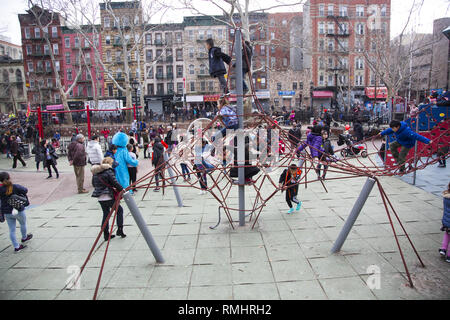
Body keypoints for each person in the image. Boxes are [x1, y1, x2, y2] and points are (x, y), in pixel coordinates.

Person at [91, 157, 126, 241]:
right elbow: (115, 183)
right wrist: (122, 190)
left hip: (100, 197)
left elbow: (93, 184)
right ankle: (120, 230)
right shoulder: (109, 172)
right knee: (119, 211)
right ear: (110, 164)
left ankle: (106, 234)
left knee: (106, 214)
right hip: (108, 196)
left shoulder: (96, 172)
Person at [0, 172, 32, 252]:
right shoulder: (14, 186)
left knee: (11, 229)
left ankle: (16, 247)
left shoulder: (0, 189)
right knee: (23, 224)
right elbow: (25, 190)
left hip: (7, 212)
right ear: (9, 178)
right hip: (18, 209)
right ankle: (24, 238)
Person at [439, 183, 450, 263]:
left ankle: (443, 249)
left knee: (447, 234)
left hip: (446, 221)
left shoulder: (446, 197)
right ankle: (449, 256)